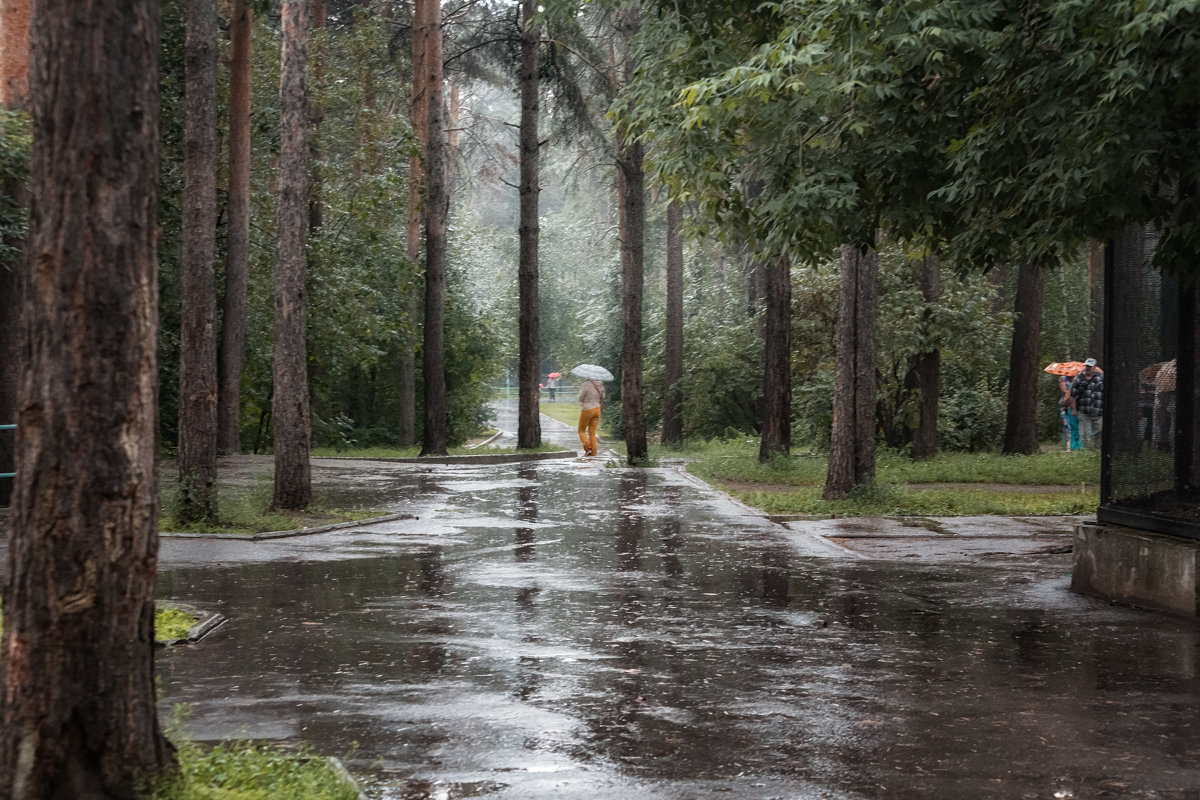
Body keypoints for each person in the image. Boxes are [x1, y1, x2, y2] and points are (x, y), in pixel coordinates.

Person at [1071, 358, 1103, 449]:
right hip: (1084, 411)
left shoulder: (1101, 377)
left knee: (1099, 431)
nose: (1088, 368)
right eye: (1087, 366)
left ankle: (1097, 450)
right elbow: (1073, 395)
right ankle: (1086, 453)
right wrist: (1074, 409)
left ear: (1095, 367)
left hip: (1099, 411)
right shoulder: (1078, 378)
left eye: (1090, 366)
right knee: (1084, 435)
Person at [577, 377, 605, 457]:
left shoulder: (586, 384)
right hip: (597, 409)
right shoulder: (601, 384)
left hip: (587, 409)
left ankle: (588, 448)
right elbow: (603, 397)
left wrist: (582, 400)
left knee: (581, 430)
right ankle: (594, 452)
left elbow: (580, 397)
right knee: (592, 432)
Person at [1058, 374, 1081, 451]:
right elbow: (1064, 391)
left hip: (1076, 406)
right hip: (1065, 406)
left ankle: (1077, 445)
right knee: (1067, 425)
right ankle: (1069, 447)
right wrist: (1069, 392)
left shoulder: (1079, 378)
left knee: (1077, 425)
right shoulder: (1063, 378)